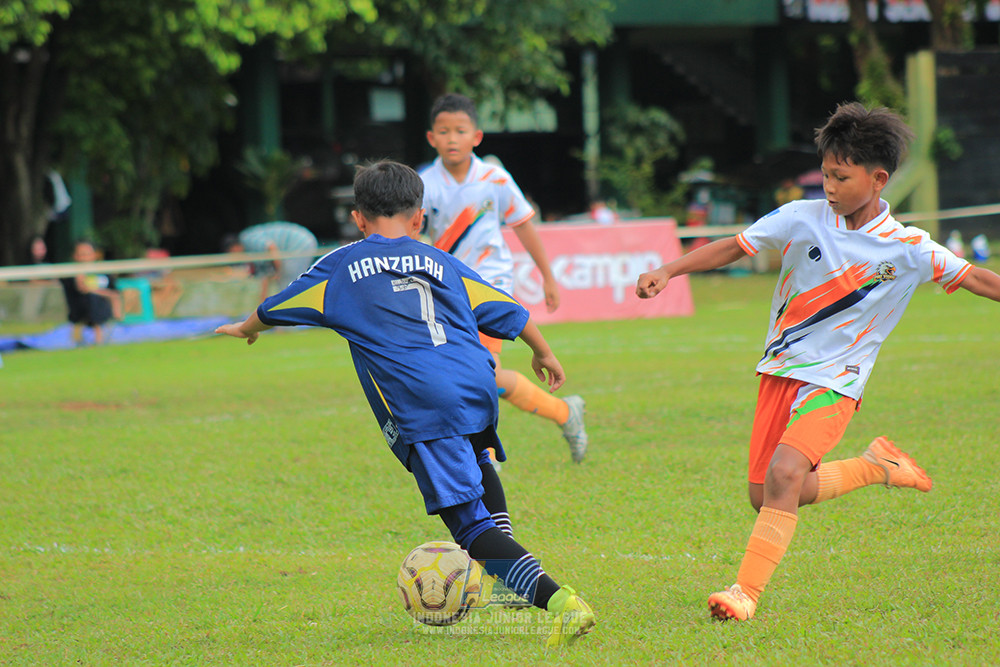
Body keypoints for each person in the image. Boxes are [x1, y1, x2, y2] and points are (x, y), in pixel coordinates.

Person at [635, 102, 1000, 622]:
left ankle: (745, 594)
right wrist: (669, 270)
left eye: (840, 176)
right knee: (766, 496)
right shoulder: (802, 217)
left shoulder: (910, 248)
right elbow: (735, 247)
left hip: (837, 381)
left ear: (877, 179)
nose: (828, 185)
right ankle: (876, 467)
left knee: (785, 474)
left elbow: (980, 279)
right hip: (780, 370)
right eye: (825, 173)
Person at [215, 161, 596, 646]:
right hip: (475, 380)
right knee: (478, 464)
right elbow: (507, 309)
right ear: (419, 218)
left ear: (357, 218)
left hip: (424, 402)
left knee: (469, 527)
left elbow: (276, 307)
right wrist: (544, 351)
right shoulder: (438, 258)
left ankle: (561, 602)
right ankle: (506, 577)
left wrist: (244, 329)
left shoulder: (340, 266)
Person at [419, 93, 588, 464]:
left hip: (491, 286)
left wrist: (548, 277)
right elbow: (414, 234)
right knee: (474, 378)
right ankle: (564, 413)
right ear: (431, 137)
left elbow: (524, 225)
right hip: (445, 290)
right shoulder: (424, 183)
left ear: (476, 137)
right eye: (443, 131)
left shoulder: (494, 178)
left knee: (480, 372)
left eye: (459, 131)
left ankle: (486, 456)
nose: (451, 138)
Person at [60, 240, 123, 345]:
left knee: (99, 298)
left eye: (87, 254)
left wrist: (98, 292)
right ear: (75, 256)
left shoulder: (104, 273)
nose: (84, 258)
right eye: (81, 255)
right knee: (90, 298)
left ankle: (112, 329)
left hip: (104, 310)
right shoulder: (71, 274)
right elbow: (81, 289)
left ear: (94, 255)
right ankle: (97, 335)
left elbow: (115, 293)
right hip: (81, 312)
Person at [235, 221, 319, 298]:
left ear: (234, 247)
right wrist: (261, 304)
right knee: (287, 285)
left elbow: (271, 247)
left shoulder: (247, 239)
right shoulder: (254, 254)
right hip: (300, 243)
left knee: (289, 285)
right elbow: (265, 276)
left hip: (299, 243)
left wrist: (279, 271)